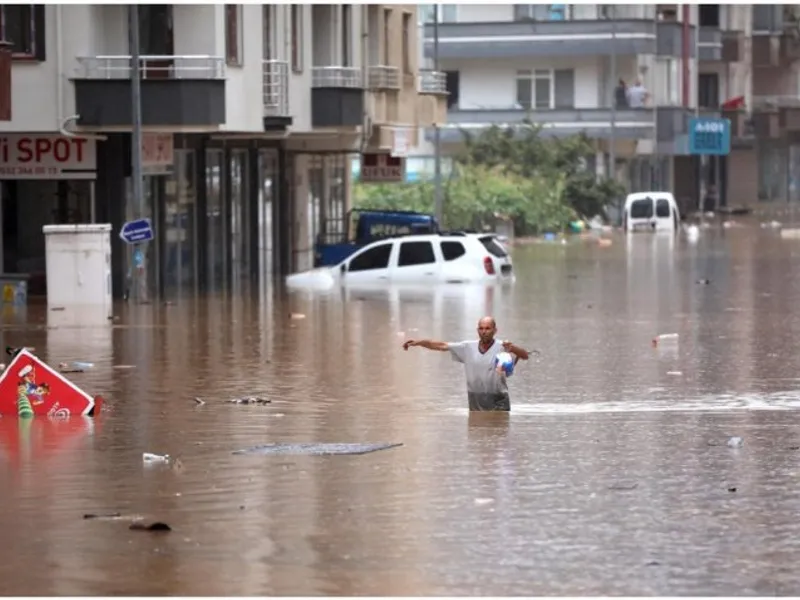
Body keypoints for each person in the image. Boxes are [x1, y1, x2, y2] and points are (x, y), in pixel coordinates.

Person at [402, 316, 529, 412]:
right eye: (481, 328)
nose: (484, 331)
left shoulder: (502, 347)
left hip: (498, 400)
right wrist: (418, 342)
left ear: (495, 330)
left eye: (487, 328)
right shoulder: (467, 347)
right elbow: (441, 345)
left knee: (497, 436)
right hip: (475, 399)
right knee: (476, 436)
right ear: (477, 330)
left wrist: (513, 348)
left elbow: (524, 355)